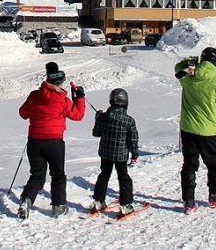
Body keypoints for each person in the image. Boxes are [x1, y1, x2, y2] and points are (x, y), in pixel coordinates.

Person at [17, 62, 86, 219]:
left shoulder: (34, 95)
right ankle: (58, 207)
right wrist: (80, 99)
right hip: (54, 142)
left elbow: (23, 113)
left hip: (34, 142)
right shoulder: (62, 100)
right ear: (60, 83)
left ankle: (26, 200)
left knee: (37, 175)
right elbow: (78, 116)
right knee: (58, 175)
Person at [174, 47, 216, 214]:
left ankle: (188, 201)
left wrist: (189, 61)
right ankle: (215, 193)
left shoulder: (188, 77)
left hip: (188, 128)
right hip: (208, 130)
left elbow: (177, 68)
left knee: (189, 164)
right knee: (213, 163)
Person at [90, 88, 140, 218]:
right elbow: (133, 139)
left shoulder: (104, 117)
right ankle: (126, 205)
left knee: (103, 176)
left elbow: (96, 133)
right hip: (121, 155)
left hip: (105, 153)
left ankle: (99, 202)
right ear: (125, 102)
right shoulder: (129, 120)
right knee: (124, 178)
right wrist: (135, 153)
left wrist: (98, 119)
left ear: (111, 101)